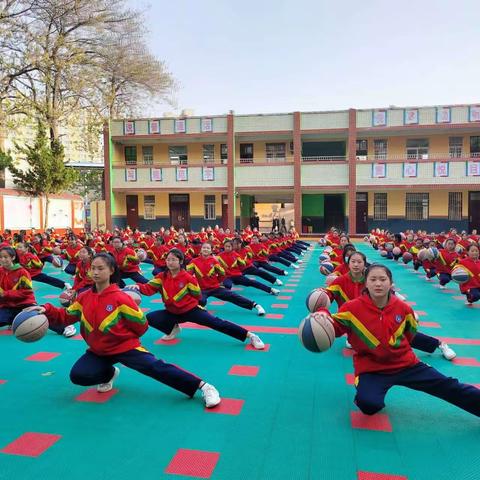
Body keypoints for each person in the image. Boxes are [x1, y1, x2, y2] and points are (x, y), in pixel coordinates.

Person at [26, 253, 221, 408]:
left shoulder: (121, 298)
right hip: (98, 351)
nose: (95, 272)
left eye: (100, 268)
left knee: (156, 367)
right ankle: (109, 373)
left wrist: (125, 340)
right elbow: (67, 316)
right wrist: (47, 310)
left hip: (125, 347)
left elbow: (141, 325)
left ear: (111, 270)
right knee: (78, 375)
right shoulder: (84, 297)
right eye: (93, 268)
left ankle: (203, 386)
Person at [320, 263, 480, 418]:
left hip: (406, 365)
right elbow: (333, 328)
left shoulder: (403, 309)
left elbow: (410, 336)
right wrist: (321, 315)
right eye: (373, 279)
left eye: (383, 280)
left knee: (447, 385)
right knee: (368, 405)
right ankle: (363, 384)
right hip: (372, 369)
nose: (378, 284)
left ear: (391, 283)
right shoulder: (351, 309)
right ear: (366, 283)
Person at [325, 252, 456, 360]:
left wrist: (406, 312)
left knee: (398, 334)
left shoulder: (371, 280)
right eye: (353, 261)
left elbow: (388, 297)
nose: (356, 264)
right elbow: (327, 296)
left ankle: (440, 344)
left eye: (359, 262)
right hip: (354, 323)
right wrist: (320, 300)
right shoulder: (340, 281)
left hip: (379, 316)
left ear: (364, 264)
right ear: (348, 263)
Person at [127, 248, 265, 349]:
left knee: (218, 323)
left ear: (180, 261)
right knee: (151, 317)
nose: (170, 262)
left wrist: (189, 303)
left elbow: (197, 295)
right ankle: (173, 329)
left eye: (173, 259)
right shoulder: (162, 276)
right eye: (168, 259)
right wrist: (137, 287)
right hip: (172, 312)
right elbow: (149, 288)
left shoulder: (187, 277)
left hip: (192, 311)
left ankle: (250, 335)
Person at [0, 246, 75, 337]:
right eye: (0, 257)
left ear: (13, 257)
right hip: (7, 306)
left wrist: (5, 294)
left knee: (39, 317)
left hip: (24, 304)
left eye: (5, 257)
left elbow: (26, 292)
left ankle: (65, 327)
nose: (3, 259)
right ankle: (13, 320)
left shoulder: (22, 272)